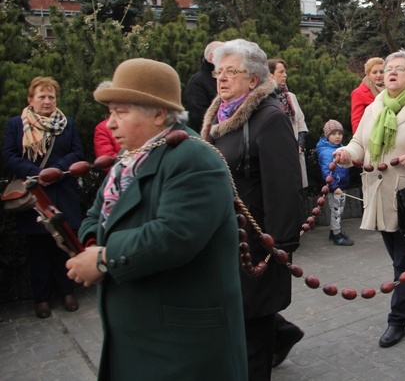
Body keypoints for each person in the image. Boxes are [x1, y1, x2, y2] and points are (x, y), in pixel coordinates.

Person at [65, 59, 247, 380]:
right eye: (110, 112)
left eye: (121, 112)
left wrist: (104, 259)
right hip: (143, 340)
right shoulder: (130, 159)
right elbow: (97, 215)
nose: (110, 124)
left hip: (181, 350)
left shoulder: (193, 157)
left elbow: (174, 236)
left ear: (159, 113)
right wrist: (90, 247)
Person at [202, 41, 305, 378]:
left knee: (252, 335)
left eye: (233, 71)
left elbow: (285, 188)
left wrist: (279, 249)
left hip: (257, 245)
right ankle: (282, 335)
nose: (222, 79)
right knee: (241, 321)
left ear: (254, 80)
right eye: (219, 71)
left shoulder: (269, 119)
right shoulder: (219, 117)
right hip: (225, 239)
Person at [334, 49, 405, 349]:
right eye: (386, 68)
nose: (389, 73)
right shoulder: (375, 106)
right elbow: (360, 142)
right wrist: (347, 154)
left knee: (403, 262)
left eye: (398, 68)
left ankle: (398, 321)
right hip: (379, 195)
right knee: (401, 258)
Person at [3, 76, 84, 319]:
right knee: (38, 250)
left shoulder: (67, 124)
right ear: (30, 99)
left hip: (62, 191)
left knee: (64, 245)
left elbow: (77, 152)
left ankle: (67, 292)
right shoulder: (17, 125)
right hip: (35, 195)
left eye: (51, 97)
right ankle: (41, 298)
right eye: (42, 96)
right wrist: (39, 173)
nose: (47, 101)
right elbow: (9, 156)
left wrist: (56, 170)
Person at [268, 58, 309, 188]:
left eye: (285, 72)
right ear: (270, 75)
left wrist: (300, 145)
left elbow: (301, 123)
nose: (285, 75)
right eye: (281, 72)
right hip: (276, 154)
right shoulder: (264, 98)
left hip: (294, 152)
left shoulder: (291, 97)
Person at [316, 119, 354, 246]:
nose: (338, 136)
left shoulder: (341, 148)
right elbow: (326, 171)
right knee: (336, 210)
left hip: (341, 185)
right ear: (327, 135)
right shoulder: (326, 152)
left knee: (339, 209)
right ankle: (337, 235)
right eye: (333, 133)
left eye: (340, 133)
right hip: (334, 187)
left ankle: (334, 231)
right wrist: (334, 186)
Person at [184, 40, 223, 131]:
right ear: (212, 57)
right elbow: (199, 117)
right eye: (224, 54)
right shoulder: (197, 82)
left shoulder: (227, 78)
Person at [350, 57, 385, 133]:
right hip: (369, 136)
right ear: (368, 74)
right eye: (374, 72)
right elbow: (356, 122)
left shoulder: (390, 90)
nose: (378, 75)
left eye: (381, 72)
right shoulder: (359, 93)